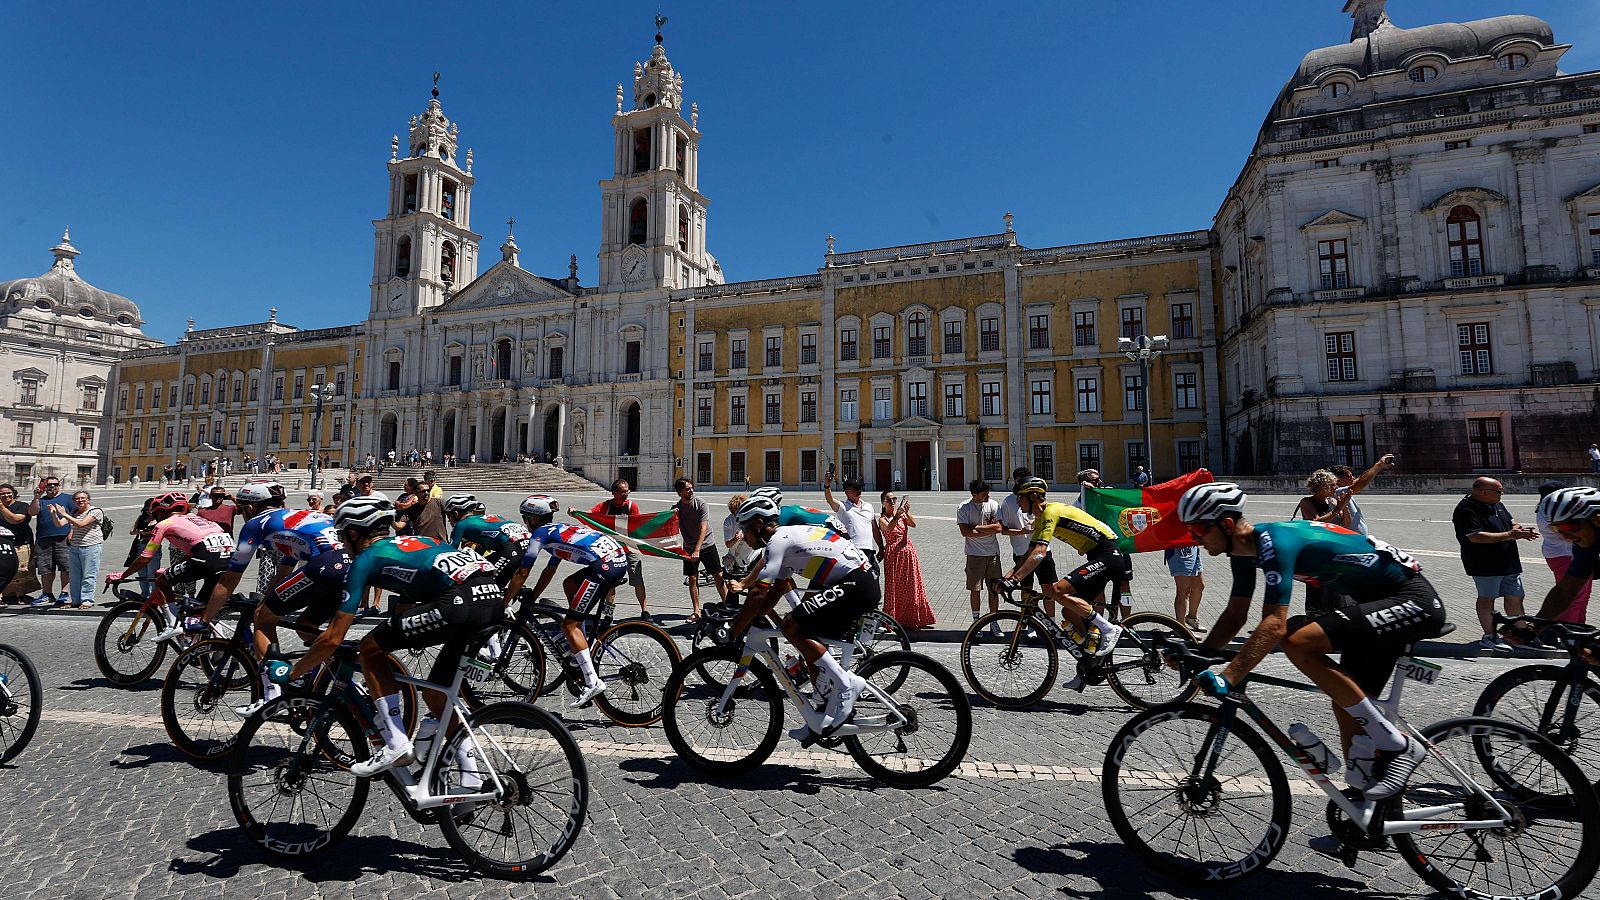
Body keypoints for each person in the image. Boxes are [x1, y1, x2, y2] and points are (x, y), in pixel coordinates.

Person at [1176, 482, 1446, 826]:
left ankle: (1399, 745)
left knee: (1297, 640)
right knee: (1346, 703)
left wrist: (1230, 676)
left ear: (1227, 526)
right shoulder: (1243, 553)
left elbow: (1274, 624)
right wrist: (1201, 655)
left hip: (1413, 600)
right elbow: (1235, 615)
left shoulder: (1274, 542)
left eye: (1198, 529)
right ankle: (1368, 818)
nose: (1195, 538)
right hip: (1378, 603)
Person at [265, 496, 501, 777]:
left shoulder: (365, 559)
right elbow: (411, 596)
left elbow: (332, 638)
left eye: (342, 536)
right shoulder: (419, 542)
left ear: (353, 533)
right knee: (437, 695)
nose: (340, 543)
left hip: (458, 604)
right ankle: (471, 779)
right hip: (492, 598)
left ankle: (396, 741)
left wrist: (293, 673)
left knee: (369, 650)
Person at [726, 495, 879, 740]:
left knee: (791, 626)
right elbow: (774, 592)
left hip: (856, 583)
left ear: (757, 525)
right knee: (809, 639)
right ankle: (819, 716)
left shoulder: (778, 541)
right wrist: (756, 618)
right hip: (859, 581)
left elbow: (756, 594)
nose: (743, 535)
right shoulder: (786, 541)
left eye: (744, 528)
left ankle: (845, 684)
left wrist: (734, 631)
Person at [219, 481, 351, 717]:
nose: (240, 513)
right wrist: (267, 599)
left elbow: (230, 578)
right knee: (306, 627)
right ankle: (336, 669)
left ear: (250, 507)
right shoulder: (297, 520)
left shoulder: (256, 524)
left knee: (262, 617)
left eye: (240, 508)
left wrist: (205, 618)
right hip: (349, 564)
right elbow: (283, 572)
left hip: (327, 565)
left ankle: (272, 696)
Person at [502, 494, 629, 708]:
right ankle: (581, 639)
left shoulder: (541, 535)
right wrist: (533, 597)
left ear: (534, 519)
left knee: (568, 625)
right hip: (615, 558)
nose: (526, 523)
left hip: (605, 566)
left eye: (526, 518)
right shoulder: (558, 531)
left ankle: (591, 681)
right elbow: (550, 570)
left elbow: (522, 572)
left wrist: (504, 603)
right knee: (569, 584)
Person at [1000, 478, 1127, 675]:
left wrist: (1014, 581)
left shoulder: (1050, 512)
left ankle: (1109, 629)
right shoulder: (1041, 519)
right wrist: (1006, 577)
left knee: (1056, 590)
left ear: (1033, 496)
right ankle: (1089, 664)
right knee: (1070, 613)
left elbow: (1040, 553)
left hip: (1108, 554)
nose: (1018, 502)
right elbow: (1029, 552)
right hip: (1098, 555)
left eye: (1020, 498)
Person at [105, 492, 236, 643]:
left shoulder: (164, 524)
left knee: (161, 582)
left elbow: (145, 557)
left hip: (207, 558)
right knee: (201, 610)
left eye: (156, 514)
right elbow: (196, 550)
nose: (156, 517)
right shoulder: (200, 520)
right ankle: (215, 646)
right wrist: (174, 568)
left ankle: (173, 624)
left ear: (161, 511)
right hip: (229, 558)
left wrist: (123, 575)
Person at [1453, 477, 1539, 653]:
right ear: (1483, 492)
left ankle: (1521, 634)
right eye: (1499, 491)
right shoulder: (1465, 509)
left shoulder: (1496, 503)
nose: (1502, 494)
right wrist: (1510, 534)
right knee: (1487, 599)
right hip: (1484, 563)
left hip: (1508, 560)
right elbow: (1475, 536)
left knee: (1515, 596)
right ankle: (1490, 636)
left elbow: (1510, 520)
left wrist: (1518, 530)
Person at [1525, 488, 1600, 630]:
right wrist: (1534, 627)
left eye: (1569, 527)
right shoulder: (1584, 545)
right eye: (1557, 529)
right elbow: (1566, 591)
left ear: (1597, 520)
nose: (1565, 536)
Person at [1073, 468, 1134, 623]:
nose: (1099, 482)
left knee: (1124, 586)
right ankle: (1100, 623)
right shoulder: (1079, 504)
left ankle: (1127, 621)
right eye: (1095, 480)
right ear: (1083, 484)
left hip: (1119, 547)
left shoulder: (1106, 493)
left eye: (1099, 479)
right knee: (1098, 588)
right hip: (1097, 551)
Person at [999, 467, 1056, 622]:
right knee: (1026, 588)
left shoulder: (1038, 500)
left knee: (1049, 588)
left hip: (1043, 550)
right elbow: (1002, 529)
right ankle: (1028, 621)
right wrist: (1020, 531)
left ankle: (1051, 621)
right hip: (1021, 552)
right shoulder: (1008, 501)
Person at [589, 480, 651, 619]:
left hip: (630, 548)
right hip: (612, 550)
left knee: (637, 578)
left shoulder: (631, 506)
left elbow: (637, 524)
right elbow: (590, 514)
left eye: (627, 491)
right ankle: (608, 615)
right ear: (614, 493)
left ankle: (644, 611)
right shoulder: (606, 505)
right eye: (622, 492)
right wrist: (576, 513)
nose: (626, 494)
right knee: (610, 581)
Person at [446, 494, 531, 590]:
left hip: (509, 549)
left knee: (488, 588)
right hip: (524, 546)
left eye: (448, 515)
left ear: (455, 513)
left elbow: (450, 552)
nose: (448, 520)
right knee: (483, 571)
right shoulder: (491, 517)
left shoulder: (461, 524)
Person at [1536, 480, 1592, 625]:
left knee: (1582, 596)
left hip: (1568, 554)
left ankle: (1579, 627)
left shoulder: (1550, 508)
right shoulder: (1551, 511)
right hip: (1564, 555)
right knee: (1573, 597)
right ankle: (1568, 631)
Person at [672, 476, 725, 622]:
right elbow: (668, 525)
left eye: (691, 488)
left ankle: (728, 606)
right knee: (692, 578)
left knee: (718, 575)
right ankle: (696, 611)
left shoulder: (701, 504)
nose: (691, 491)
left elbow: (703, 528)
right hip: (688, 547)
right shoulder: (677, 508)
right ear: (680, 492)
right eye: (687, 489)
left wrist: (697, 549)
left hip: (707, 545)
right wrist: (673, 515)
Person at [879, 491, 935, 629]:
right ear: (883, 503)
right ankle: (893, 618)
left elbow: (913, 524)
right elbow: (889, 529)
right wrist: (897, 515)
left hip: (908, 553)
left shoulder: (902, 514)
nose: (892, 501)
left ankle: (913, 617)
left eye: (894, 499)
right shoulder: (882, 519)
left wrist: (906, 512)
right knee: (894, 586)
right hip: (894, 555)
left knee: (911, 584)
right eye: (888, 499)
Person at [957, 479, 1003, 635]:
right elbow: (965, 532)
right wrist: (987, 530)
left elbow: (998, 527)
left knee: (994, 590)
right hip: (974, 554)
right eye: (984, 494)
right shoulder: (964, 507)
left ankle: (994, 621)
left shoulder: (993, 505)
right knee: (975, 589)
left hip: (992, 554)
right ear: (974, 495)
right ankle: (976, 622)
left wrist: (976, 527)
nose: (987, 496)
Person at [27, 476, 76, 607]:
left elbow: (76, 515)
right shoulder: (41, 500)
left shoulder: (68, 498)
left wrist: (72, 530)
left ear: (59, 485)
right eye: (48, 485)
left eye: (54, 484)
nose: (52, 487)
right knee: (45, 568)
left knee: (65, 566)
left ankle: (64, 593)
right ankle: (47, 594)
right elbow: (31, 512)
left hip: (63, 537)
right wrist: (36, 497)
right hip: (43, 538)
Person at [51, 490, 105, 609]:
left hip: (91, 546)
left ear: (88, 500)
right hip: (75, 547)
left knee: (88, 575)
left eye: (83, 498)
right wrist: (54, 514)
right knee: (74, 576)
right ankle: (75, 600)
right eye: (77, 499)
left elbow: (81, 524)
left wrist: (64, 513)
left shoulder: (95, 511)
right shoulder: (74, 512)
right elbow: (59, 524)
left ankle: (87, 600)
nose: (80, 500)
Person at [823, 474, 879, 576]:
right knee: (856, 579)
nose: (859, 491)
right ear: (847, 492)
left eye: (860, 488)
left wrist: (881, 547)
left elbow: (874, 529)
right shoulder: (843, 507)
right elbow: (830, 500)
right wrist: (827, 486)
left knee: (874, 576)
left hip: (868, 550)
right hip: (853, 551)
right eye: (856, 489)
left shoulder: (869, 507)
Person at [1330, 454, 1396, 536]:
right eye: (1350, 477)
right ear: (1338, 480)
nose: (1353, 478)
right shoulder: (1336, 492)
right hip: (1351, 539)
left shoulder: (1343, 490)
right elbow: (1362, 482)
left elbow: (1360, 480)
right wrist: (1378, 465)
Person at [0, 484, 38, 605]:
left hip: (21, 542)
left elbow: (15, 520)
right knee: (4, 571)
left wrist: (1, 507)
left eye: (8, 493)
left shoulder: (22, 506)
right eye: (2, 494)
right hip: (3, 545)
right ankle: (5, 595)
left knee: (22, 571)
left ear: (13, 493)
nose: (6, 495)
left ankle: (19, 595)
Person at [1166, 544, 1205, 632]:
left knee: (1199, 586)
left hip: (1192, 545)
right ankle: (1181, 628)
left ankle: (1191, 617)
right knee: (1184, 591)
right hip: (1179, 549)